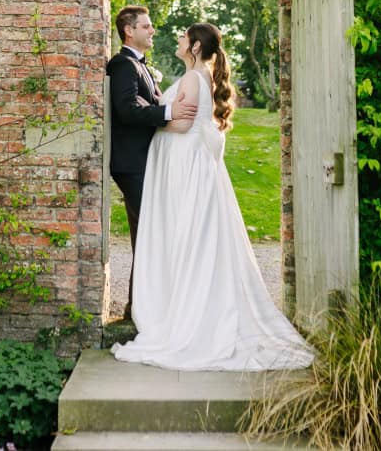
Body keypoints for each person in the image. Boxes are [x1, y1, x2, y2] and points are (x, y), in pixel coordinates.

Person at [112, 22, 313, 371]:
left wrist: (161, 118)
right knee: (196, 238)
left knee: (187, 236)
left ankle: (187, 319)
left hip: (184, 163)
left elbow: (184, 123)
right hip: (190, 162)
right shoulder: (199, 74)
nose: (177, 37)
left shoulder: (193, 78)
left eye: (182, 36)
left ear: (193, 46)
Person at [107, 5, 198, 320]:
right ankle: (143, 310)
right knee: (151, 234)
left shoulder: (140, 66)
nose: (152, 30)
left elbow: (147, 101)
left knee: (146, 234)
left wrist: (162, 105)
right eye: (146, 26)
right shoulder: (122, 65)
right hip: (132, 163)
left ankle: (139, 308)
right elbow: (128, 109)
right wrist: (168, 112)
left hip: (145, 162)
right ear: (129, 30)